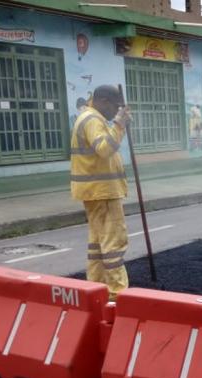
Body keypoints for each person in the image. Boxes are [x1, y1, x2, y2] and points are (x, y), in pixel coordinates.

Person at [70, 85, 132, 300]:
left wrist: (117, 125)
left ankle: (96, 289)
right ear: (104, 101)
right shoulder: (93, 120)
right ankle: (117, 293)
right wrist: (119, 124)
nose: (115, 111)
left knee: (98, 244)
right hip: (102, 192)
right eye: (115, 107)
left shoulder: (89, 117)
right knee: (114, 243)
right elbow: (104, 149)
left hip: (95, 192)